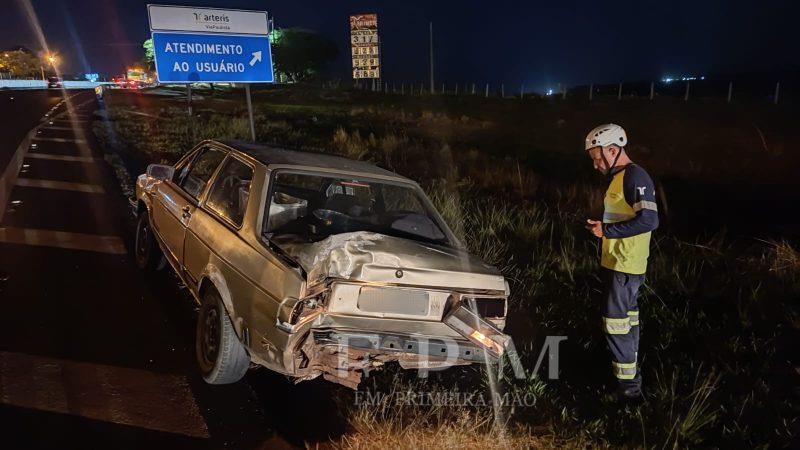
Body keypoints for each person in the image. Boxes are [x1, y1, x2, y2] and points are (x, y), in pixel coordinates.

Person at [583, 124, 659, 399]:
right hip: (619, 264)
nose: (596, 165)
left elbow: (650, 220)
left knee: (616, 324)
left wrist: (607, 231)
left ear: (613, 150)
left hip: (624, 267)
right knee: (628, 322)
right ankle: (631, 378)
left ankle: (628, 389)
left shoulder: (635, 176)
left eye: (598, 158)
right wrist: (602, 227)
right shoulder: (621, 177)